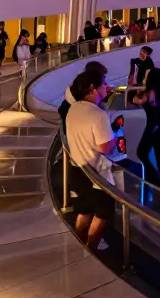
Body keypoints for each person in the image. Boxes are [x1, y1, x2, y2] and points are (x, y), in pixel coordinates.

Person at [66, 69, 116, 249]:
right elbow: (106, 147)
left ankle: (79, 243)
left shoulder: (73, 108)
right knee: (104, 212)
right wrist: (114, 138)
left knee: (84, 209)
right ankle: (91, 247)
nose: (107, 87)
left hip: (77, 168)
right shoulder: (98, 115)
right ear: (93, 88)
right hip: (95, 175)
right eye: (104, 84)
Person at [131, 58, 160, 192]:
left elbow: (137, 100)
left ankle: (155, 180)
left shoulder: (150, 92)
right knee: (159, 152)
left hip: (154, 124)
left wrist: (138, 95)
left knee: (142, 152)